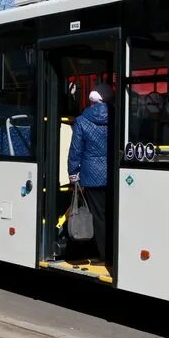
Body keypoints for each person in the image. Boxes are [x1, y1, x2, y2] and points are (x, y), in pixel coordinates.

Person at [67, 87, 110, 259]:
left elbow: (76, 150)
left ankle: (103, 254)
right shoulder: (118, 116)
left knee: (97, 216)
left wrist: (72, 172)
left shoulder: (82, 120)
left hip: (91, 175)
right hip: (113, 174)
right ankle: (112, 252)